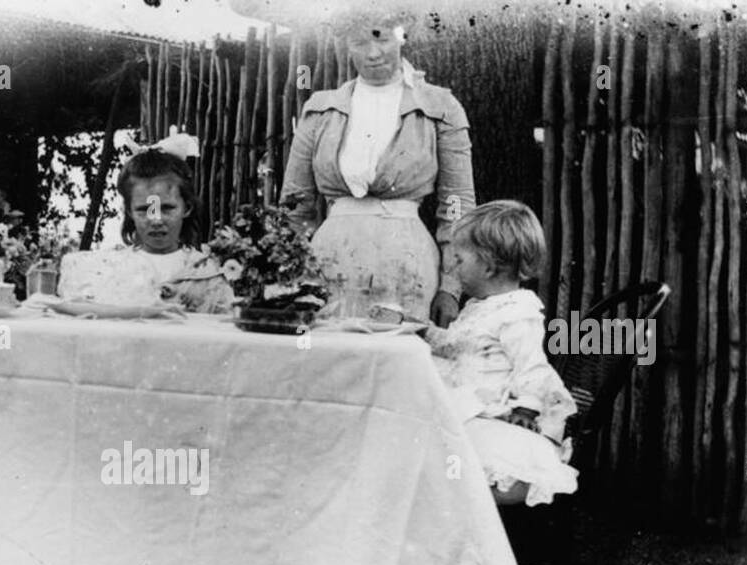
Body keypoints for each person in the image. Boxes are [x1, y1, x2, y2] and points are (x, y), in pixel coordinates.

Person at [279, 9, 475, 326]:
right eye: (359, 42)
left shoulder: (439, 107)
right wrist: (288, 277)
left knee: (398, 362)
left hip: (407, 265)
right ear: (346, 44)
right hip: (328, 261)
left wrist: (451, 287)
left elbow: (456, 204)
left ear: (400, 36)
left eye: (381, 38)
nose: (373, 53)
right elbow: (295, 204)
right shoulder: (320, 110)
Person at [423, 200, 577, 506]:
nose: (453, 267)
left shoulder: (517, 313)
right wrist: (423, 332)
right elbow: (460, 345)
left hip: (494, 404)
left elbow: (531, 366)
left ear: (489, 265)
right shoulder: (481, 306)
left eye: (460, 259)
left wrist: (527, 408)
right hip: (471, 399)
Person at [57, 136, 235, 314]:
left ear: (187, 208)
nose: (156, 219)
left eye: (167, 208)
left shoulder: (208, 273)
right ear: (129, 211)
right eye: (144, 209)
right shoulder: (110, 269)